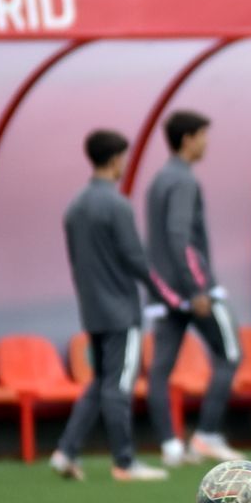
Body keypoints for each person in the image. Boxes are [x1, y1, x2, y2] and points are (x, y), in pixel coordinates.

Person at [50, 130, 177, 482]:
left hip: (92, 310)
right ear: (116, 158)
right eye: (124, 157)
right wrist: (166, 294)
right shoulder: (117, 205)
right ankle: (125, 462)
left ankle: (66, 451)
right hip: (121, 310)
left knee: (101, 381)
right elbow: (136, 259)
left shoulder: (75, 206)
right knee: (119, 384)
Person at [144, 110, 243, 467]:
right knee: (230, 354)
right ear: (187, 139)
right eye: (203, 135)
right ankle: (207, 436)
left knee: (160, 370)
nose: (206, 143)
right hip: (194, 290)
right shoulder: (183, 180)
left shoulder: (159, 180)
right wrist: (196, 288)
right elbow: (178, 236)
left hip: (164, 294)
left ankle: (171, 447)